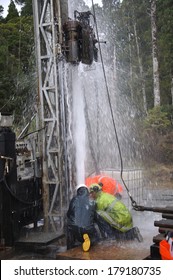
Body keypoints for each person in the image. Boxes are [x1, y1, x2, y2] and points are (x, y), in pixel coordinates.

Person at [66, 184, 99, 251]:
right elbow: (95, 217)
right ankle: (89, 239)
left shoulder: (74, 199)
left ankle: (70, 247)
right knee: (96, 237)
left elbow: (68, 214)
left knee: (69, 228)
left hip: (73, 227)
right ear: (87, 191)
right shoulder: (92, 201)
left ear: (78, 191)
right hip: (87, 228)